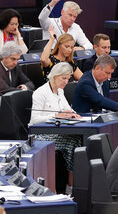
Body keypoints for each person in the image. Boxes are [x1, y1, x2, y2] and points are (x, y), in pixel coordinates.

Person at [30, 62, 82, 191]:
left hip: (56, 131)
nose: (66, 81)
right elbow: (34, 120)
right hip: (41, 134)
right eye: (63, 78)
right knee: (72, 141)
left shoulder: (60, 91)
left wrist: (72, 114)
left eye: (68, 78)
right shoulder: (40, 93)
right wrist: (56, 115)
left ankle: (72, 179)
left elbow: (67, 109)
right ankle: (70, 183)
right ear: (54, 76)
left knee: (78, 138)